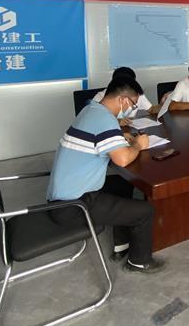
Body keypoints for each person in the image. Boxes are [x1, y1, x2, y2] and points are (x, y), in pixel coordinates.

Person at [47, 76, 165, 273]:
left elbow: (99, 138)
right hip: (72, 205)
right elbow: (123, 159)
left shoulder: (91, 110)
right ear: (123, 100)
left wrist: (119, 137)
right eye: (133, 104)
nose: (133, 109)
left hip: (63, 193)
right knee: (145, 211)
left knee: (123, 183)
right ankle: (139, 262)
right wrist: (138, 145)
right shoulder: (105, 120)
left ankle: (121, 244)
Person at [92, 67, 158, 118]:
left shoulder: (135, 94)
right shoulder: (101, 98)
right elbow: (96, 117)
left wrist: (163, 104)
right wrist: (118, 121)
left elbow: (152, 109)